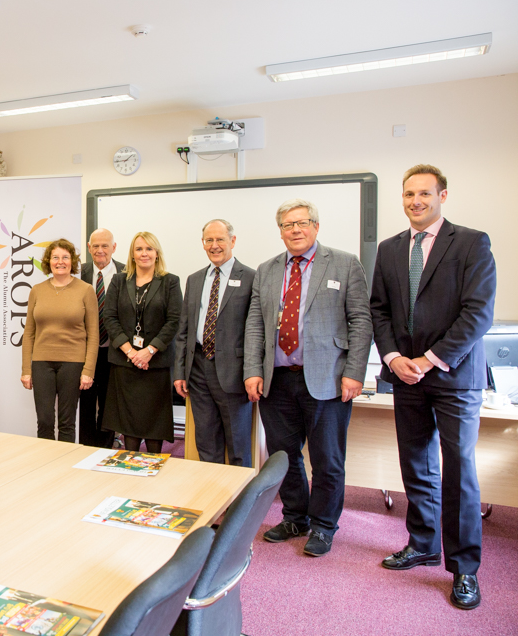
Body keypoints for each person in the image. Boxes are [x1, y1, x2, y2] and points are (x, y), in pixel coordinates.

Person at [370, 165, 495, 610]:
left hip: (453, 376)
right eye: (408, 194)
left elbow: (478, 313)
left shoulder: (471, 242)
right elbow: (378, 310)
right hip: (405, 376)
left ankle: (464, 568)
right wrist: (393, 359)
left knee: (459, 470)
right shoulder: (388, 249)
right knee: (416, 464)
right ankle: (423, 543)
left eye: (424, 193)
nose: (415, 201)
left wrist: (428, 359)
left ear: (442, 195)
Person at [244, 199, 371, 557]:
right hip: (278, 379)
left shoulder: (345, 264)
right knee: (284, 456)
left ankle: (324, 525)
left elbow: (361, 321)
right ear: (280, 231)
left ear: (316, 226)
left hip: (328, 379)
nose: (295, 230)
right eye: (287, 225)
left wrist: (354, 372)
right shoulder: (267, 270)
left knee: (327, 458)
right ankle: (295, 516)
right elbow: (255, 324)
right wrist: (253, 369)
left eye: (302, 223)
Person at [173, 219, 254, 467]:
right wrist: (179, 372)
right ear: (203, 243)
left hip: (233, 373)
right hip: (198, 370)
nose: (215, 245)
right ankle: (214, 502)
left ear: (233, 241)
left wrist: (253, 372)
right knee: (206, 442)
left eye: (220, 239)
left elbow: (255, 330)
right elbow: (184, 329)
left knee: (238, 445)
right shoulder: (195, 279)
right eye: (209, 240)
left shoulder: (251, 278)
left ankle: (241, 504)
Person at [101, 231, 182, 454]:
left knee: (154, 424)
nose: (144, 253)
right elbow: (110, 317)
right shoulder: (119, 280)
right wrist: (130, 352)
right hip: (125, 364)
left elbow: (174, 320)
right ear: (132, 254)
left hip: (156, 364)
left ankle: (153, 467)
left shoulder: (170, 282)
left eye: (149, 249)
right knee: (129, 424)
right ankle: (129, 470)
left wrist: (149, 350)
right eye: (139, 249)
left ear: (157, 253)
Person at [20, 239, 99, 442]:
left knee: (67, 422)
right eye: (56, 257)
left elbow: (93, 334)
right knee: (44, 421)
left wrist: (88, 371)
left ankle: (64, 468)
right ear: (49, 261)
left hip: (73, 364)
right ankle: (45, 466)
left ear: (72, 261)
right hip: (41, 363)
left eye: (65, 257)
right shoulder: (37, 290)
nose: (60, 262)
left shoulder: (86, 290)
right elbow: (29, 333)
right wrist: (26, 370)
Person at [79, 228, 124, 448]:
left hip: (115, 350)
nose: (100, 250)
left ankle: (106, 447)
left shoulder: (127, 273)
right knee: (85, 402)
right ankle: (87, 447)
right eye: (95, 246)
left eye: (105, 245)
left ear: (113, 247)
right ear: (89, 248)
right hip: (85, 350)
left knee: (109, 403)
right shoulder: (79, 272)